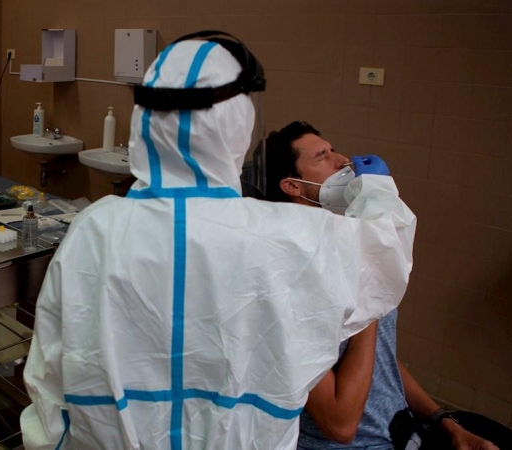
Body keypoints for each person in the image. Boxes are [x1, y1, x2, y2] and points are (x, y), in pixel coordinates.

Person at [20, 30, 417, 449]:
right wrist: (374, 187)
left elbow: (48, 376)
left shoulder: (95, 229)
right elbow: (386, 255)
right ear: (237, 124)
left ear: (145, 120)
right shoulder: (288, 237)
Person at [261, 120, 501, 450]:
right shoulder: (296, 277)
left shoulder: (350, 246)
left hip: (403, 429)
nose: (343, 160)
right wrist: (369, 290)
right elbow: (339, 425)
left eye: (334, 149)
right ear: (293, 186)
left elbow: (380, 361)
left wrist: (443, 420)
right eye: (322, 156)